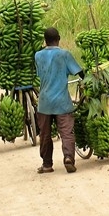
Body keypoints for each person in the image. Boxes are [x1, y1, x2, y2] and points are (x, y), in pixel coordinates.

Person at [34, 27, 84, 173]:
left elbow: (39, 74)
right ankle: (68, 158)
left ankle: (47, 164)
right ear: (59, 38)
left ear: (45, 40)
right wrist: (86, 78)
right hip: (62, 102)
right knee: (66, 132)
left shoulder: (38, 55)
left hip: (44, 102)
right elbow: (79, 72)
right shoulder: (64, 54)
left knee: (45, 134)